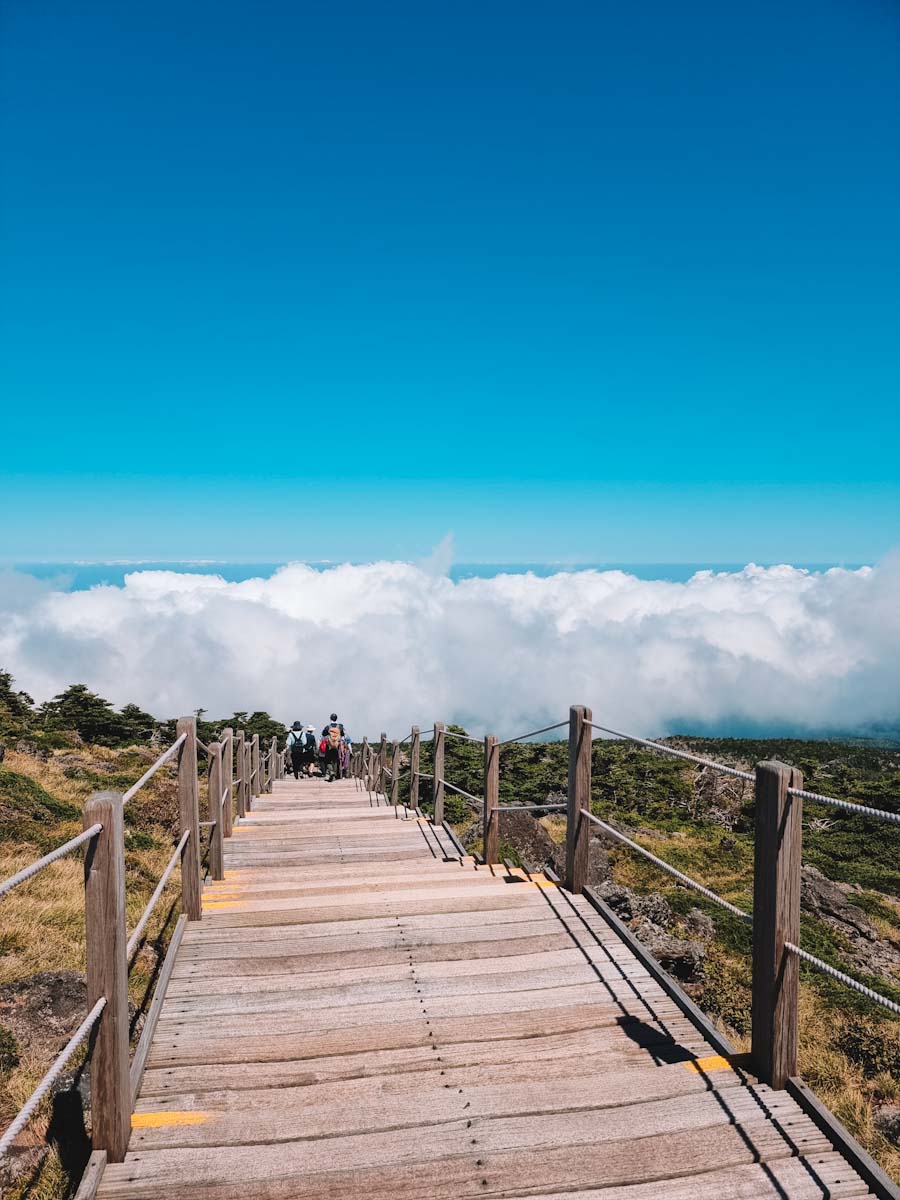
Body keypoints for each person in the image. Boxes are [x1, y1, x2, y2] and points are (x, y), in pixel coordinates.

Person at [321, 713, 346, 781]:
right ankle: (335, 775)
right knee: (336, 760)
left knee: (328, 760)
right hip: (337, 746)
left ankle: (331, 771)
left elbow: (323, 734)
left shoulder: (328, 727)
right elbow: (343, 735)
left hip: (329, 746)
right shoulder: (340, 727)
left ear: (330, 718)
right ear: (336, 718)